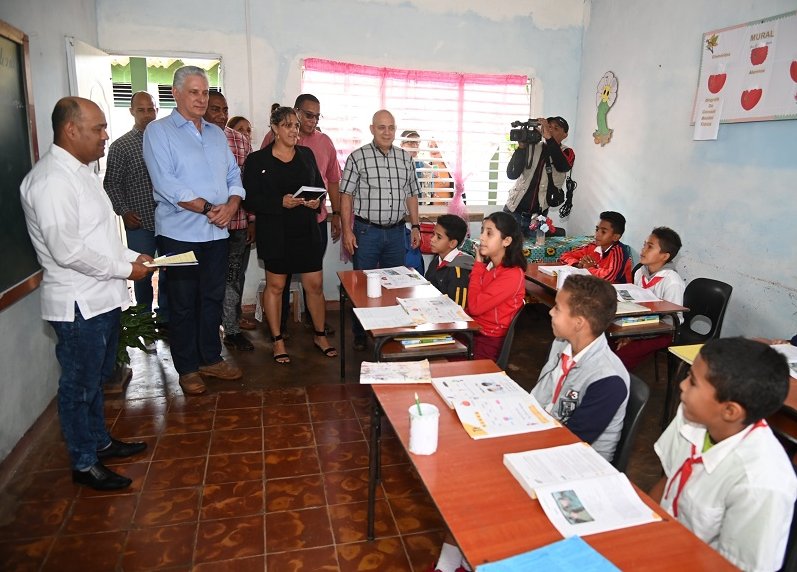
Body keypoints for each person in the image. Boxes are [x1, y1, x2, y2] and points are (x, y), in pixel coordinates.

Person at [20, 97, 154, 490]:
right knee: (78, 385)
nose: (105, 135)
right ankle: (83, 462)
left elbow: (99, 237)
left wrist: (132, 255)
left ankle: (99, 442)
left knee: (94, 379)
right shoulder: (50, 181)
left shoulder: (81, 172)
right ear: (70, 130)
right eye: (97, 128)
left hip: (102, 296)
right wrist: (127, 269)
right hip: (78, 303)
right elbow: (68, 251)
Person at [651, 338, 796, 571]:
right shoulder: (692, 416)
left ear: (729, 411)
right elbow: (668, 481)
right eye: (688, 375)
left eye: (693, 383)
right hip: (662, 545)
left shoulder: (761, 483)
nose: (682, 386)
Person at [143, 66, 245, 395]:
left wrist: (231, 205)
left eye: (204, 92)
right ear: (175, 93)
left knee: (211, 298)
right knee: (183, 302)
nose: (201, 98)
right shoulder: (158, 132)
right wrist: (208, 208)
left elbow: (233, 174)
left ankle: (210, 359)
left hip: (216, 234)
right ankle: (187, 367)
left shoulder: (217, 133)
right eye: (194, 92)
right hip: (178, 235)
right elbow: (166, 183)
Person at [242, 106, 337, 364]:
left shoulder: (306, 155)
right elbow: (249, 199)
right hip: (274, 231)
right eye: (288, 125)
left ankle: (320, 335)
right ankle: (277, 340)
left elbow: (319, 187)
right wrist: (279, 202)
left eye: (296, 125)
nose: (294, 130)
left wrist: (315, 201)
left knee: (315, 285)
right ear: (274, 128)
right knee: (276, 286)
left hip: (305, 229)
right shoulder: (257, 160)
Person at [340, 109, 422, 351]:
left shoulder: (405, 159)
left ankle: (389, 331)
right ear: (372, 129)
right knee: (361, 285)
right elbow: (346, 196)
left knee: (394, 285)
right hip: (366, 233)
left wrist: (415, 225)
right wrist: (347, 231)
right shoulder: (358, 157)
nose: (387, 132)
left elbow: (412, 195)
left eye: (391, 127)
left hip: (397, 233)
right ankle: (359, 332)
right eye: (381, 127)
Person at [261, 94, 341, 338]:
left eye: (317, 116)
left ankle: (315, 324)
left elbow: (333, 180)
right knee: (279, 281)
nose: (312, 120)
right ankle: (279, 328)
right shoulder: (271, 140)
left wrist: (336, 213)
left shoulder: (324, 142)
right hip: (281, 224)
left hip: (313, 222)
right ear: (295, 112)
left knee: (313, 280)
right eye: (308, 115)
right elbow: (262, 181)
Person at [532, 274, 629, 461]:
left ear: (579, 323)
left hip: (579, 462)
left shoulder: (608, 380)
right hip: (545, 432)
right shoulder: (562, 343)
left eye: (558, 309)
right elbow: (540, 396)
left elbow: (573, 441)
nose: (551, 312)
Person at [103, 91, 168, 329]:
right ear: (131, 112)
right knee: (142, 272)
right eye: (141, 110)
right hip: (139, 221)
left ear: (157, 111)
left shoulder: (166, 141)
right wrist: (123, 211)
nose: (147, 114)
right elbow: (110, 183)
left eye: (150, 109)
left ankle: (165, 319)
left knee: (170, 270)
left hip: (169, 219)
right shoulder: (121, 146)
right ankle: (143, 321)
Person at [204, 91, 256, 351]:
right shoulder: (193, 139)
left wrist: (252, 220)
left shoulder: (240, 141)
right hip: (203, 227)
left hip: (236, 225)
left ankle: (232, 330)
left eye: (224, 109)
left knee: (234, 278)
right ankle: (208, 332)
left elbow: (249, 185)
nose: (221, 115)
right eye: (215, 109)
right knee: (208, 281)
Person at [615, 227, 685, 370]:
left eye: (650, 246)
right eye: (644, 244)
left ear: (664, 256)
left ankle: (618, 384)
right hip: (637, 324)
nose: (643, 249)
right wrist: (629, 332)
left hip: (662, 331)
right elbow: (634, 304)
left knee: (620, 356)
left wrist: (634, 335)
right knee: (604, 343)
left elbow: (674, 319)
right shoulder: (640, 271)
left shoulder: (672, 282)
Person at [466, 212, 527, 362]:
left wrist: (478, 266)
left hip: (486, 342)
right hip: (473, 332)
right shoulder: (493, 266)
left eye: (489, 233)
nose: (481, 238)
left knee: (437, 362)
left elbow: (474, 307)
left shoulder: (512, 275)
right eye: (482, 231)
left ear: (506, 241)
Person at [504, 116, 574, 236]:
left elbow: (563, 166)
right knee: (507, 251)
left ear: (565, 135)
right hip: (513, 210)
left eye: (555, 128)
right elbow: (512, 174)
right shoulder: (533, 146)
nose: (550, 130)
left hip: (537, 217)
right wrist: (521, 147)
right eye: (548, 127)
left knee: (535, 252)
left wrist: (549, 139)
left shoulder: (567, 152)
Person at [559, 210, 631, 283]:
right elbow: (564, 256)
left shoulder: (619, 253)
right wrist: (578, 264)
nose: (597, 234)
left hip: (616, 291)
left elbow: (608, 277)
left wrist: (589, 268)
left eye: (603, 232)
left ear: (615, 237)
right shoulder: (593, 246)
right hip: (594, 288)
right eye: (597, 229)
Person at [425, 214, 474, 308]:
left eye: (439, 237)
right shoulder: (436, 260)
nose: (432, 239)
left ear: (452, 243)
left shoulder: (459, 270)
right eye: (433, 234)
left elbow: (458, 308)